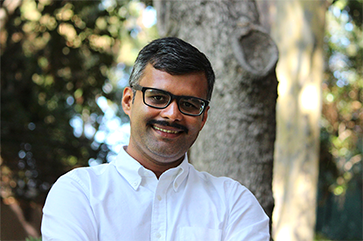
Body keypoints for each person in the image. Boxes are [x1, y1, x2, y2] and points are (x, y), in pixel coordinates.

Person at [41, 37, 270, 240]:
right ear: (129, 101)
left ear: (204, 117)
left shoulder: (233, 203)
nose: (172, 114)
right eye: (158, 97)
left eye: (189, 104)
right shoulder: (80, 193)